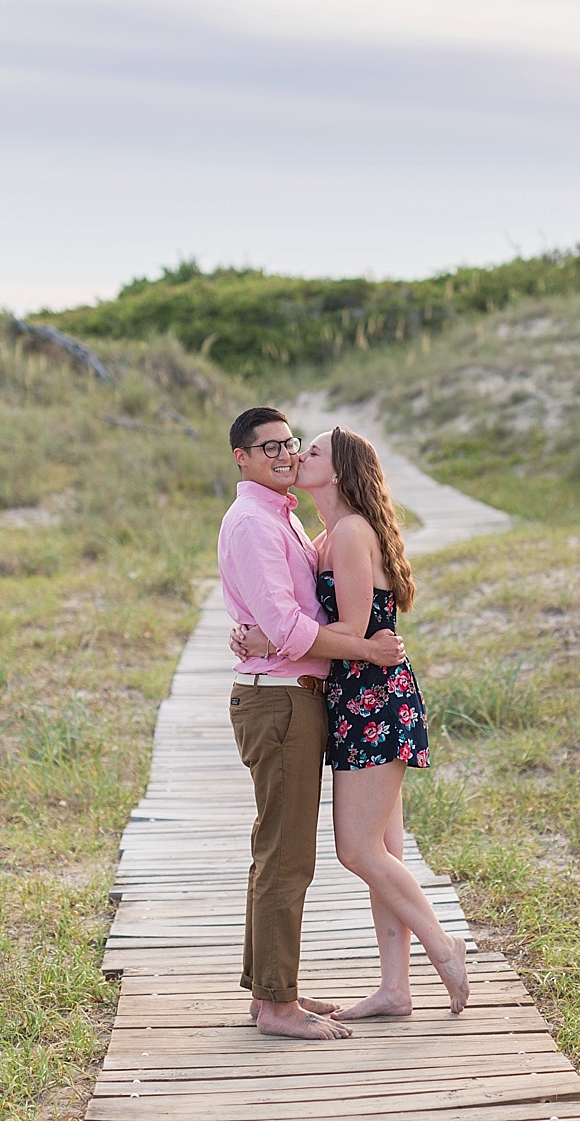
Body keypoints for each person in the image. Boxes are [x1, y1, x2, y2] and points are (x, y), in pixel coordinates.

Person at [234, 426, 470, 1017]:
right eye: (290, 447)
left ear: (336, 472)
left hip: (373, 698)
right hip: (355, 697)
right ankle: (396, 990)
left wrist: (272, 640)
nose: (295, 456)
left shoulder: (349, 533)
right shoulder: (325, 535)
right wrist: (266, 633)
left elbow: (356, 633)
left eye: (309, 450)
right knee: (383, 847)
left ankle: (445, 947)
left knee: (358, 850)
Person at [217, 407, 407, 1040]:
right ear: (240, 458)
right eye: (267, 447)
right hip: (280, 700)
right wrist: (370, 650)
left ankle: (272, 990)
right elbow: (293, 628)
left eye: (289, 443)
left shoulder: (288, 521)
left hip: (291, 695)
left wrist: (257, 634)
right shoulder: (253, 522)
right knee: (286, 854)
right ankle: (277, 1007)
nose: (284, 454)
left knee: (279, 850)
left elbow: (282, 619)